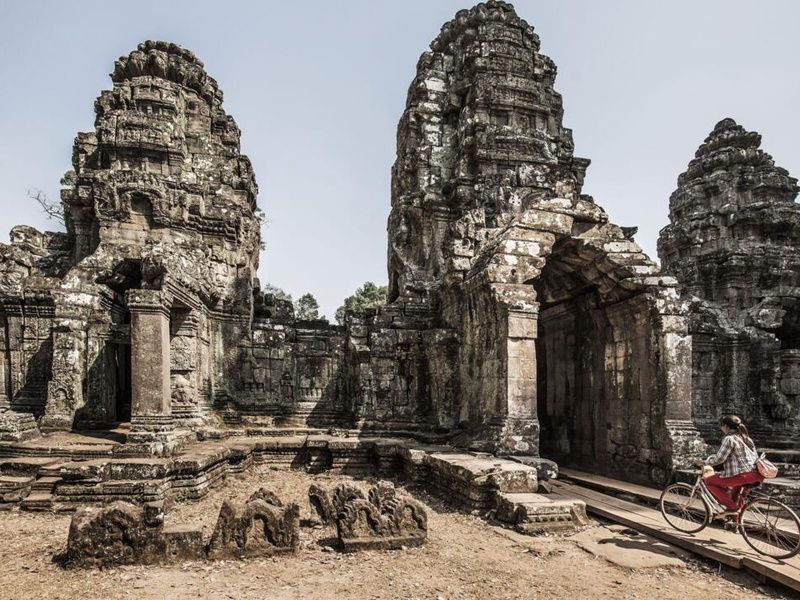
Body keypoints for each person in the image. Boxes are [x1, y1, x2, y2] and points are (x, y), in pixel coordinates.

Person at [694, 414, 764, 518]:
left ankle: (732, 508)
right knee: (734, 497)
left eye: (721, 426)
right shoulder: (747, 438)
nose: (721, 428)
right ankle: (735, 523)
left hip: (743, 475)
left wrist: (704, 463)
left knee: (709, 481)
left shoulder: (729, 439)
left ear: (726, 426)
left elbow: (719, 459)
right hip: (756, 474)